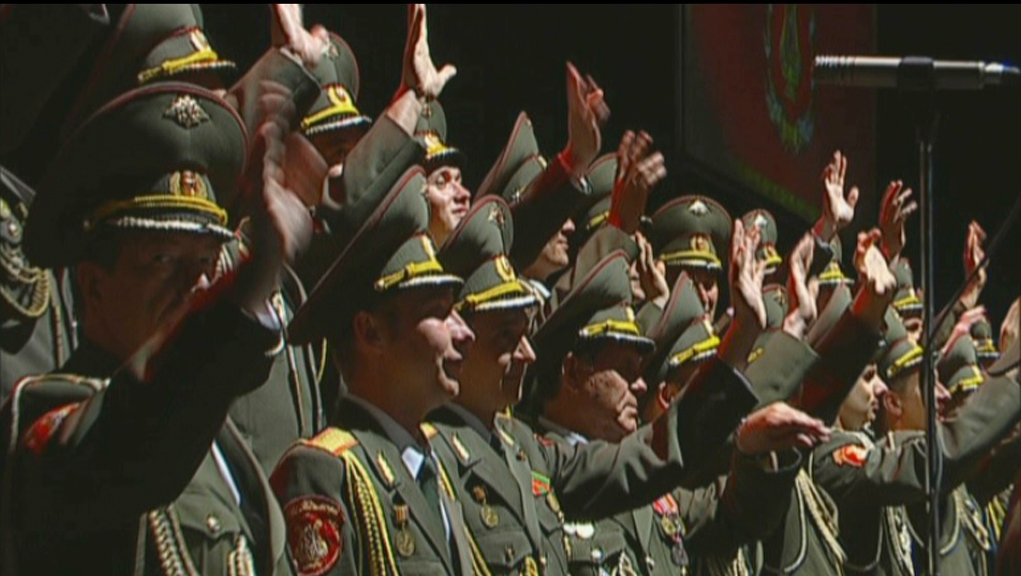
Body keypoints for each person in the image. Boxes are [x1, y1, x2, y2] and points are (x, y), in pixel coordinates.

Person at [3, 82, 311, 576]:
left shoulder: (215, 435)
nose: (196, 283)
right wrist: (250, 280)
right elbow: (134, 439)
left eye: (207, 262)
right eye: (163, 259)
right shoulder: (52, 419)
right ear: (93, 283)